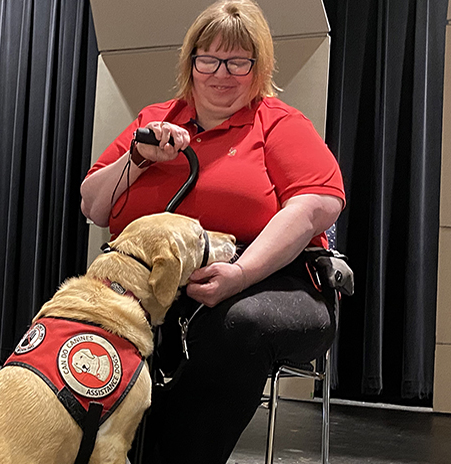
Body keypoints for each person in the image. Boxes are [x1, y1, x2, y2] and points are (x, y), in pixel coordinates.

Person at [80, 1, 345, 462]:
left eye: (239, 61)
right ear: (191, 63)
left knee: (233, 327)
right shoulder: (156, 120)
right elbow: (94, 205)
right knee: (79, 319)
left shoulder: (279, 123)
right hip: (160, 280)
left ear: (258, 68)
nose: (222, 73)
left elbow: (313, 208)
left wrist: (240, 274)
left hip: (272, 279)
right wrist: (139, 160)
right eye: (209, 59)